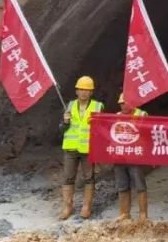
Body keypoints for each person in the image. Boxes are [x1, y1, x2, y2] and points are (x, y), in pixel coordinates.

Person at [59, 76, 104, 220]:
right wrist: (65, 122)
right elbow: (62, 129)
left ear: (91, 92)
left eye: (87, 90)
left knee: (89, 178)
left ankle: (86, 207)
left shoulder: (98, 106)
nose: (84, 92)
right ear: (76, 91)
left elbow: (103, 129)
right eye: (81, 89)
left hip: (88, 149)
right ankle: (67, 207)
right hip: (71, 148)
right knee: (68, 178)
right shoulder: (70, 106)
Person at [113, 93, 148, 221]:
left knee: (139, 185)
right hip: (120, 156)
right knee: (122, 185)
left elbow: (148, 132)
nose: (123, 105)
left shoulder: (141, 114)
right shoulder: (116, 117)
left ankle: (143, 214)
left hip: (135, 156)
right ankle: (124, 213)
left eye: (125, 103)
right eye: (121, 103)